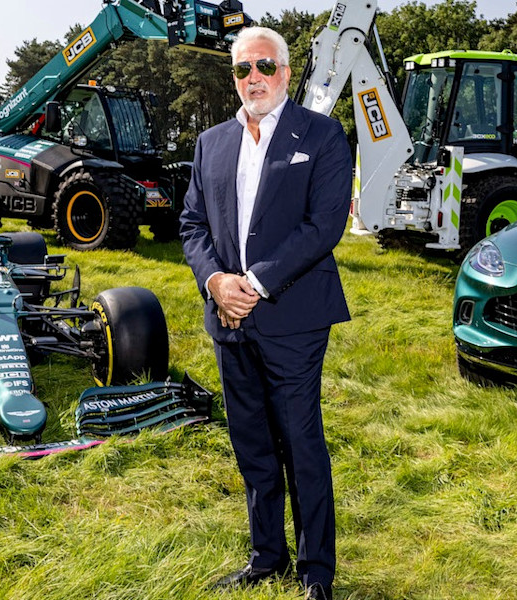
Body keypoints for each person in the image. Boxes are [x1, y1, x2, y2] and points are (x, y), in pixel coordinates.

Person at [179, 26, 352, 600]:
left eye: (264, 67)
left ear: (285, 69)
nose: (253, 78)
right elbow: (193, 226)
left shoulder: (322, 136)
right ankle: (266, 556)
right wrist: (216, 281)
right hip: (228, 320)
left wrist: (252, 283)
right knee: (251, 441)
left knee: (300, 442)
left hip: (294, 319)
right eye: (241, 69)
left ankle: (315, 572)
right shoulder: (210, 143)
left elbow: (324, 226)